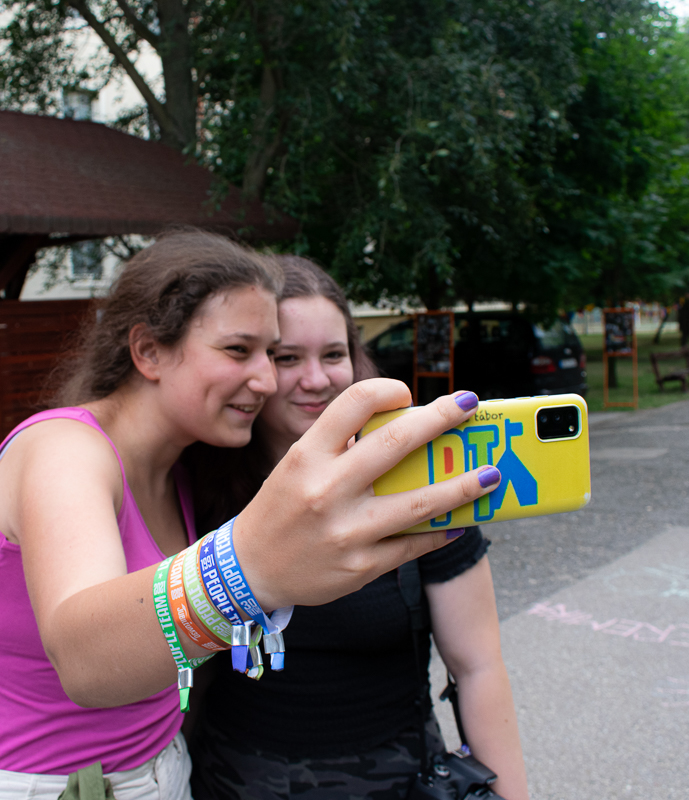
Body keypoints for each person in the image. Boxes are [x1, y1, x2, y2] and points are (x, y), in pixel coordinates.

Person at [0, 232, 501, 800]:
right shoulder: (63, 449)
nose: (268, 380)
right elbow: (86, 662)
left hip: (163, 772)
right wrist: (252, 568)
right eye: (240, 350)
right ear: (147, 350)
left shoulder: (184, 473)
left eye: (272, 354)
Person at [186, 257, 529, 800]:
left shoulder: (421, 481)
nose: (317, 379)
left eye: (333, 354)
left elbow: (479, 665)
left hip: (397, 781)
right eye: (287, 357)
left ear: (357, 360)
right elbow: (186, 672)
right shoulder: (200, 487)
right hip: (233, 782)